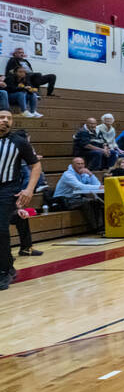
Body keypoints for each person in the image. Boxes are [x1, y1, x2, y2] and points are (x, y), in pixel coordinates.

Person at [0, 110, 42, 289]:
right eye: (2, 117)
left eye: (9, 118)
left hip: (8, 189)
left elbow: (36, 165)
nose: (5, 121)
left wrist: (29, 189)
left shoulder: (19, 142)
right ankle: (8, 266)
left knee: (1, 228)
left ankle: (3, 271)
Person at [53, 157, 105, 233]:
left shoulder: (84, 174)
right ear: (73, 165)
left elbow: (97, 184)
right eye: (78, 164)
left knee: (96, 202)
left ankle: (101, 226)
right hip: (62, 200)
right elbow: (79, 186)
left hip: (75, 199)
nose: (80, 165)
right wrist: (98, 187)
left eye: (82, 163)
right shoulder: (67, 174)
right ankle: (96, 228)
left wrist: (90, 174)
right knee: (87, 202)